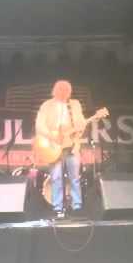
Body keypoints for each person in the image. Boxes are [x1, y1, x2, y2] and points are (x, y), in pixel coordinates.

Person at [35, 80, 86, 218]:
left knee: (74, 177)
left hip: (72, 146)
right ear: (54, 90)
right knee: (56, 177)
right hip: (54, 147)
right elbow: (40, 126)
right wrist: (52, 136)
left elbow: (80, 122)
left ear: (69, 92)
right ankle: (57, 208)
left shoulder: (74, 104)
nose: (63, 92)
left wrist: (80, 129)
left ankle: (77, 207)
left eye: (66, 89)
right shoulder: (47, 105)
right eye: (60, 89)